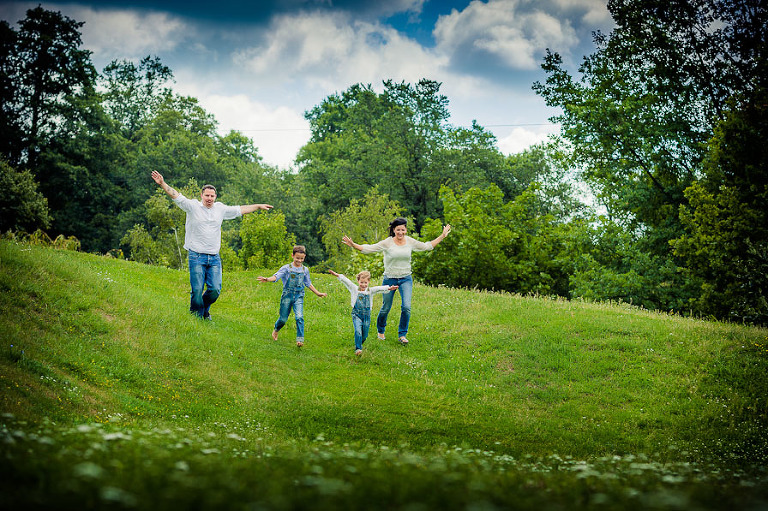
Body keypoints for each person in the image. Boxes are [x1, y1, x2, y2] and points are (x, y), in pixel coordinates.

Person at [151, 170, 273, 320]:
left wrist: (259, 206)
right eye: (207, 195)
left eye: (212, 196)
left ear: (215, 197)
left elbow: (240, 209)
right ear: (201, 195)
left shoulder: (220, 209)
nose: (209, 198)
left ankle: (203, 309)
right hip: (196, 255)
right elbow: (175, 195)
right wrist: (162, 183)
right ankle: (197, 316)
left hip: (214, 258)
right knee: (196, 290)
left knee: (215, 290)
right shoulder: (192, 206)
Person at [342, 217, 451, 345]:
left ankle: (402, 335)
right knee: (386, 307)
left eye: (403, 230)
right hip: (390, 278)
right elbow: (369, 248)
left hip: (406, 278)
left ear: (405, 230)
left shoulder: (409, 241)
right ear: (394, 230)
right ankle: (381, 330)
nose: (400, 232)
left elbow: (427, 246)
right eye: (398, 230)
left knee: (406, 307)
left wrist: (442, 236)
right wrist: (354, 245)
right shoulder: (387, 243)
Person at [258, 245, 327, 347]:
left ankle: (300, 340)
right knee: (283, 319)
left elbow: (308, 283)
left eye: (302, 258)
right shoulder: (286, 268)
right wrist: (267, 279)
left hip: (299, 296)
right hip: (287, 296)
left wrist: (318, 293)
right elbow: (276, 276)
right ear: (292, 256)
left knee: (299, 317)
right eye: (297, 258)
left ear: (304, 257)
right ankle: (276, 329)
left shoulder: (305, 270)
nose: (299, 260)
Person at [328, 270, 398, 356]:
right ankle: (358, 348)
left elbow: (379, 288)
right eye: (361, 282)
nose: (363, 285)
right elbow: (347, 281)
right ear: (358, 281)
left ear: (368, 282)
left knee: (364, 335)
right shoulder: (354, 288)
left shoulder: (370, 291)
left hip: (366, 315)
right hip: (356, 314)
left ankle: (359, 343)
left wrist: (389, 288)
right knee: (358, 331)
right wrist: (338, 275)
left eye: (365, 282)